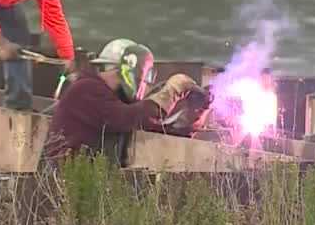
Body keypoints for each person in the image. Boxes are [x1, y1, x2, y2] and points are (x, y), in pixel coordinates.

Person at [41, 38, 200, 165]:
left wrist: (197, 112)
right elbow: (124, 118)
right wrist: (172, 90)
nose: (144, 83)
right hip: (62, 182)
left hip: (86, 181)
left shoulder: (114, 100)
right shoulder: (86, 89)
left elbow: (159, 127)